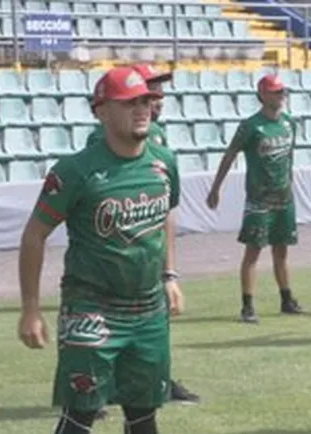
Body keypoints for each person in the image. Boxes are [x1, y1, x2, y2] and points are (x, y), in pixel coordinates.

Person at [17, 67, 183, 434]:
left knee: (144, 411)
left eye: (146, 100)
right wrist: (31, 309)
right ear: (102, 111)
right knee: (80, 412)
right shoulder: (76, 171)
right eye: (130, 102)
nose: (144, 108)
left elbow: (166, 215)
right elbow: (35, 234)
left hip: (148, 311)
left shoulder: (164, 163)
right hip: (92, 311)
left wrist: (169, 274)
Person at [87, 63, 199, 413]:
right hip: (112, 255)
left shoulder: (158, 136)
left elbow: (167, 205)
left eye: (157, 91)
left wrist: (170, 270)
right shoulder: (103, 139)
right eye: (150, 88)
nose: (157, 97)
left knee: (154, 318)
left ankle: (159, 380)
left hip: (149, 251)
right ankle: (99, 387)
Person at [206, 74, 310, 322]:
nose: (281, 96)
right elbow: (230, 155)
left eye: (282, 92)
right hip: (259, 199)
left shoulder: (289, 124)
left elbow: (289, 160)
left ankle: (286, 298)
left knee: (282, 250)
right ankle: (248, 305)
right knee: (253, 252)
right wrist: (216, 187)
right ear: (263, 95)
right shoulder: (251, 126)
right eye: (276, 92)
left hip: (284, 197)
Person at [87, 64, 170, 147]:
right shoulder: (101, 136)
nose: (160, 103)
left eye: (160, 91)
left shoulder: (157, 132)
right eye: (151, 90)